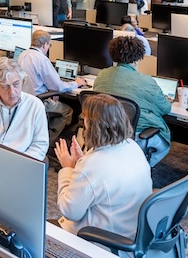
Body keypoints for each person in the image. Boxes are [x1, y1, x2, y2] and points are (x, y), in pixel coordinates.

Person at [55, 93, 152, 239]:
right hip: (131, 230)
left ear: (92, 126)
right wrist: (82, 162)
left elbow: (70, 212)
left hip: (103, 240)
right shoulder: (133, 147)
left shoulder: (93, 165)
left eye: (85, 118)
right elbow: (101, 176)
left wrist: (67, 169)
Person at [92, 36, 171, 166]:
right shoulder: (146, 81)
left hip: (105, 131)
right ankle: (140, 168)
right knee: (165, 145)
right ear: (138, 57)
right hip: (133, 135)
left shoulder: (102, 75)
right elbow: (166, 109)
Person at [17, 30, 87, 142]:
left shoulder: (22, 55)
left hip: (23, 100)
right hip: (38, 101)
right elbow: (58, 87)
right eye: (49, 44)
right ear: (45, 45)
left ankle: (40, 135)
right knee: (68, 111)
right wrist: (77, 83)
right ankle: (46, 141)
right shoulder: (41, 59)